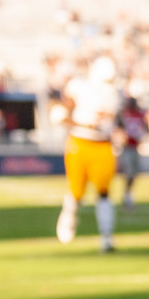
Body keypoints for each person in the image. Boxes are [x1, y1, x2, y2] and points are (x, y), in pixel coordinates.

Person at [57, 57, 120, 252]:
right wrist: (66, 117)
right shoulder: (79, 87)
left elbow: (107, 118)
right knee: (76, 191)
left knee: (104, 192)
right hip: (80, 142)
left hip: (102, 144)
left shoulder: (114, 94)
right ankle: (69, 216)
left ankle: (106, 238)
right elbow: (64, 109)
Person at [115, 95, 149, 211]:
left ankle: (128, 193)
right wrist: (121, 138)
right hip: (126, 147)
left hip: (135, 147)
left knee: (134, 173)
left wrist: (141, 135)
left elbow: (146, 129)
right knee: (129, 172)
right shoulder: (123, 114)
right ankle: (127, 195)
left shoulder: (140, 115)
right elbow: (118, 129)